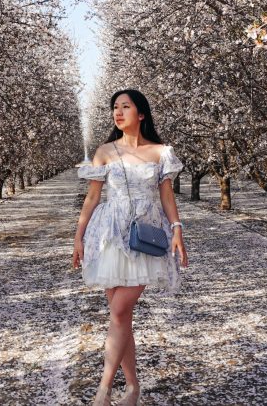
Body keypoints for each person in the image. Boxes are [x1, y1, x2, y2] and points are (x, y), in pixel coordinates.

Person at [72, 89, 188, 406]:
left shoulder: (160, 152)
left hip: (145, 236)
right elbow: (93, 197)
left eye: (126, 106)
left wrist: (177, 229)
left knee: (120, 311)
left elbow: (166, 196)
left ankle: (103, 391)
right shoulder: (105, 151)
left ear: (141, 114)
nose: (118, 112)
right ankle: (133, 389)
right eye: (115, 107)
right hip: (110, 235)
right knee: (121, 318)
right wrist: (79, 235)